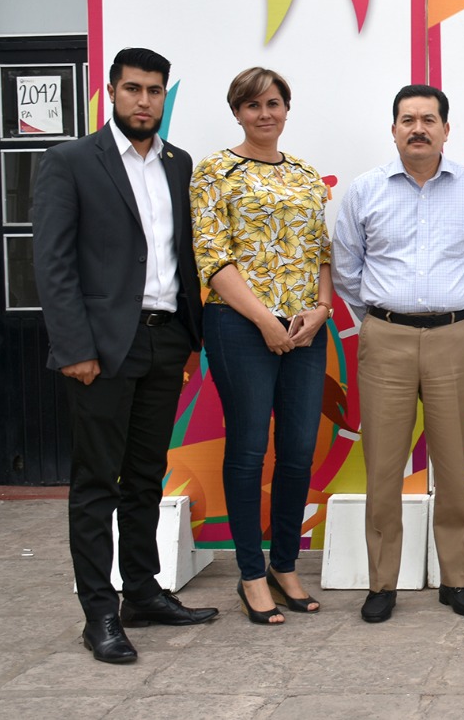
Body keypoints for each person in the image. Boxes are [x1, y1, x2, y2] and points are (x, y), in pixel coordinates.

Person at [31, 47, 217, 664]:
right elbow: (53, 263)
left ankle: (142, 591)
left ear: (164, 96)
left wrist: (190, 340)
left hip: (166, 339)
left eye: (154, 90)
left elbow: (183, 257)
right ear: (111, 91)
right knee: (96, 482)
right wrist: (74, 348)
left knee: (145, 476)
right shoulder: (71, 161)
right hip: (101, 347)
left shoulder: (178, 163)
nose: (144, 100)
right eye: (133, 88)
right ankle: (100, 614)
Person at [333, 84, 464, 622]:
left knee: (453, 463)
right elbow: (346, 268)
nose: (418, 129)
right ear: (393, 130)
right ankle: (382, 583)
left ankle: (456, 580)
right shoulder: (365, 190)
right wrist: (380, 318)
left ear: (446, 130)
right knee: (383, 466)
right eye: (407, 120)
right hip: (385, 338)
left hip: (454, 337)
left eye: (429, 120)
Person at [190, 67, 331, 625]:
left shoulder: (306, 174)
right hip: (238, 326)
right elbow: (212, 257)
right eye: (252, 105)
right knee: (249, 450)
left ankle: (285, 566)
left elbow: (321, 253)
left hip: (305, 330)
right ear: (237, 112)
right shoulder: (214, 172)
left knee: (298, 451)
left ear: (286, 109)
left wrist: (321, 310)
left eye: (273, 103)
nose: (264, 114)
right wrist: (264, 321)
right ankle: (251, 574)